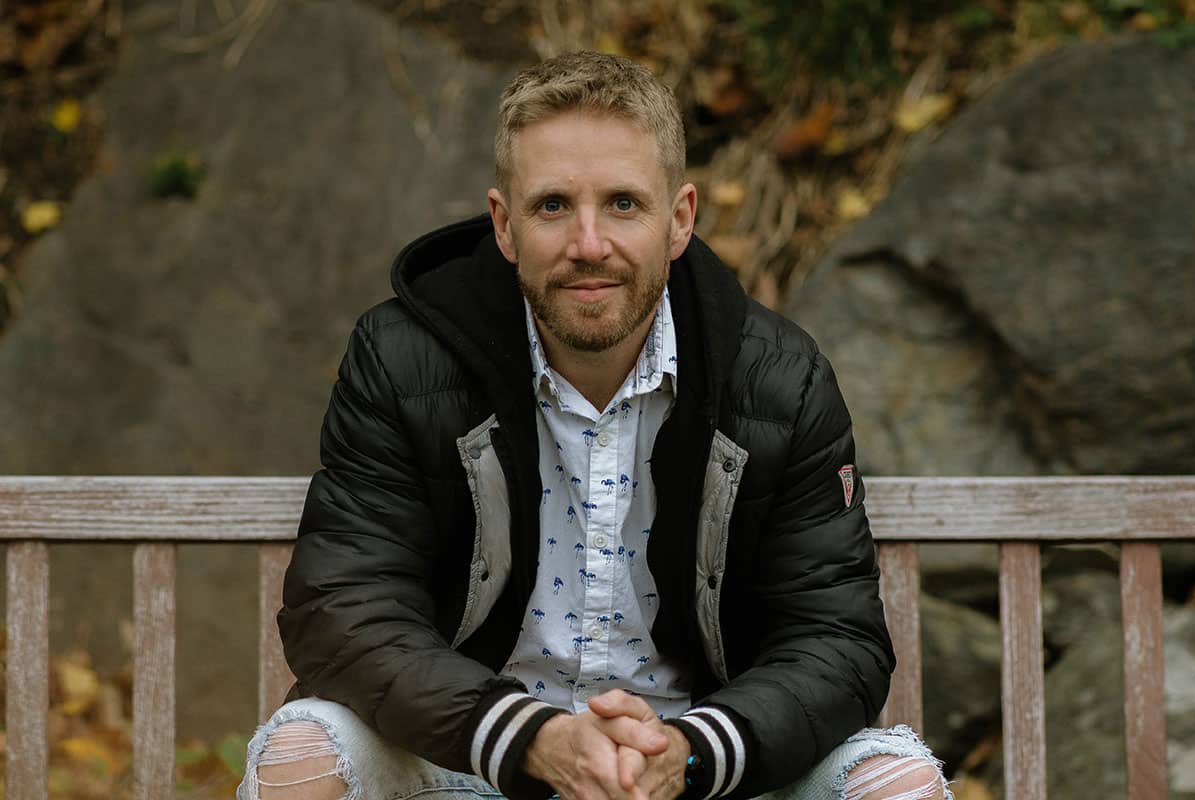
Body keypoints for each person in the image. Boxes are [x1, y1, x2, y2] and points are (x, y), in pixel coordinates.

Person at [238, 51, 951, 800]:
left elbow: (837, 640)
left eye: (622, 204)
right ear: (503, 224)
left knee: (895, 785)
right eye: (552, 206)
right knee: (303, 757)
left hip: (698, 768)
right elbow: (344, 610)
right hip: (473, 759)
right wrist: (534, 739)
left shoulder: (778, 379)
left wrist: (689, 752)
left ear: (679, 220)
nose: (588, 244)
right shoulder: (403, 360)